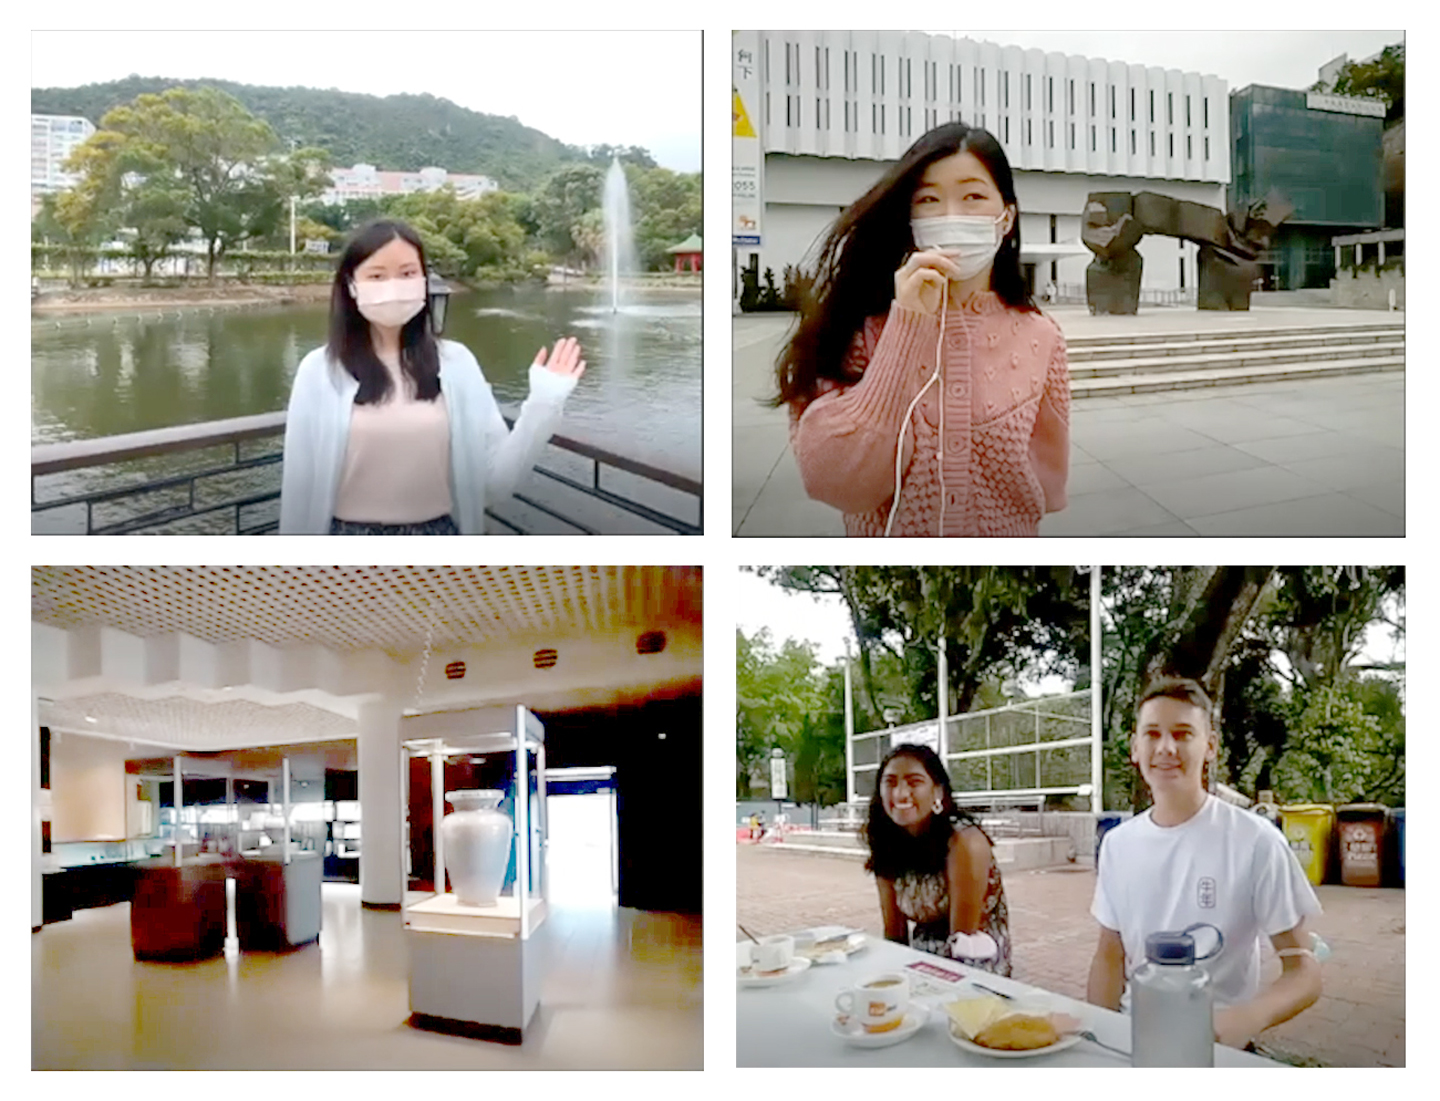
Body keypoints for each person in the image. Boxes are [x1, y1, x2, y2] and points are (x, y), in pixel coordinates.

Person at [775, 121, 1069, 537]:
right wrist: (906, 327)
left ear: (1006, 217)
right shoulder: (860, 328)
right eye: (929, 199)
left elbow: (1047, 482)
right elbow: (838, 483)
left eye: (973, 196)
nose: (952, 216)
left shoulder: (1043, 337)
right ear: (909, 216)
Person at [279, 219, 585, 534]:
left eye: (408, 273)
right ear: (351, 284)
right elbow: (299, 488)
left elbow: (495, 483)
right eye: (377, 275)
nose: (394, 286)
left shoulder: (456, 363)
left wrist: (544, 403)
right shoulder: (319, 371)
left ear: (424, 279)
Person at [1087, 677, 1323, 1049]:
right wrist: (1097, 1037)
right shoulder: (1117, 844)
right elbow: (1109, 956)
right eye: (1152, 734)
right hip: (1135, 1041)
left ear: (1210, 746)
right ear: (1135, 747)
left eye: (1182, 734)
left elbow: (1303, 969)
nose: (1165, 748)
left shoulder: (1256, 841)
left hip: (1216, 1049)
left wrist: (1247, 1017)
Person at [863, 743, 1012, 974]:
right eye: (890, 782)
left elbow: (963, 944)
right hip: (920, 960)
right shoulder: (886, 841)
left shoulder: (964, 842)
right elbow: (894, 935)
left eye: (914, 782)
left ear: (938, 792)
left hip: (976, 964)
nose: (900, 793)